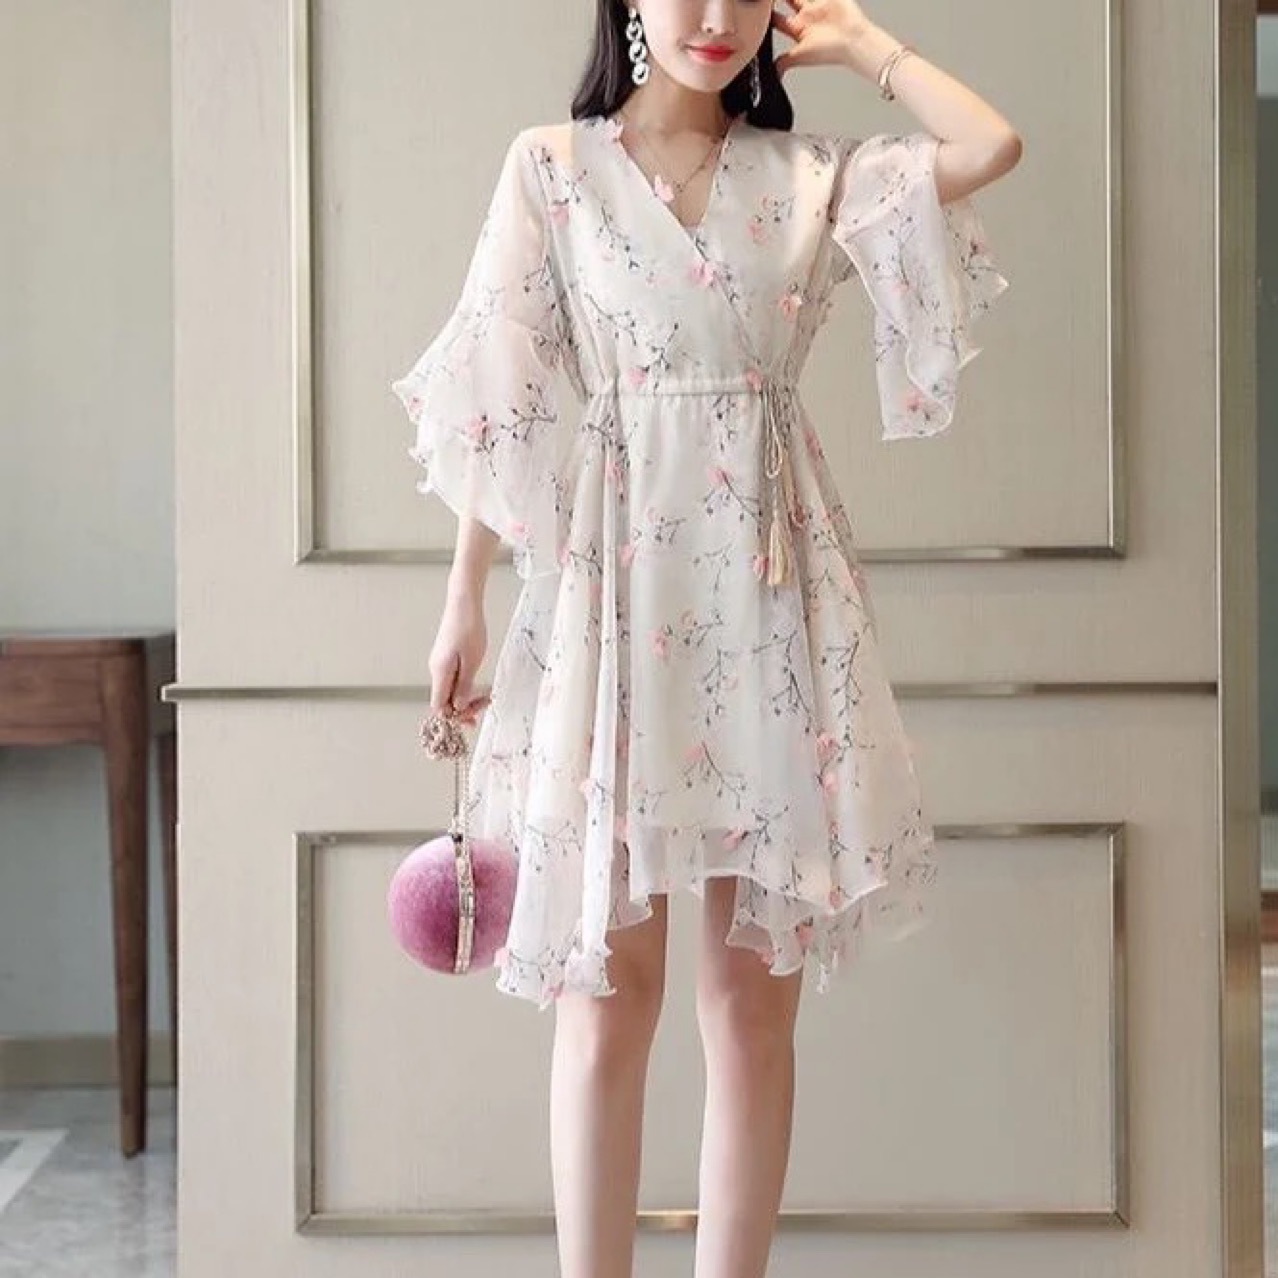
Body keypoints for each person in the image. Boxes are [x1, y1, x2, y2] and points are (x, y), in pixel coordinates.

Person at [390, 2, 1020, 1274]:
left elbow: (990, 145)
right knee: (604, 1005)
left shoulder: (811, 178)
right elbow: (504, 405)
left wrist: (864, 45)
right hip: (608, 607)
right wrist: (463, 599)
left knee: (750, 1018)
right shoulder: (552, 170)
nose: (718, 17)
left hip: (769, 609)